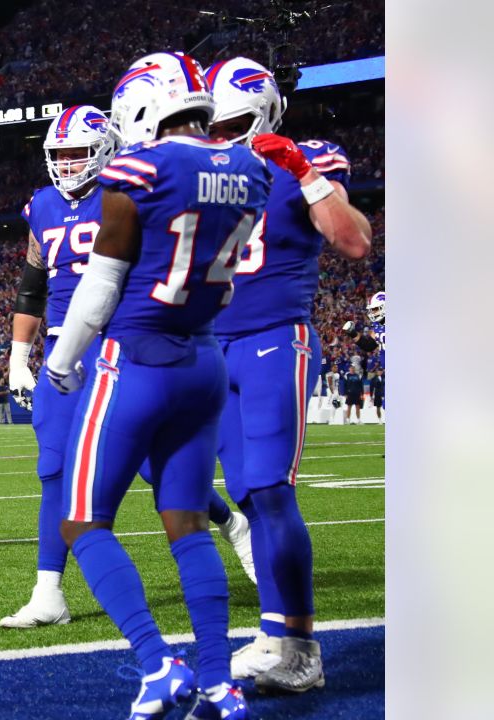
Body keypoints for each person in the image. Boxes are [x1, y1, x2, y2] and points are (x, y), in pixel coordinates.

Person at [44, 53, 270, 719]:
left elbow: (104, 280)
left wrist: (64, 357)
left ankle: (154, 662)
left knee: (82, 520)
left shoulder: (138, 170)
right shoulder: (252, 168)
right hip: (204, 362)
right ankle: (217, 682)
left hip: (136, 361)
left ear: (142, 105)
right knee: (189, 524)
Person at [2, 104, 253, 633]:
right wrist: (18, 355)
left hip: (118, 341)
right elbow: (31, 284)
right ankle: (48, 591)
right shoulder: (42, 205)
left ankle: (231, 522)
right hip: (59, 342)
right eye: (60, 155)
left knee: (151, 466)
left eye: (77, 153)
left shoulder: (129, 189)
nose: (68, 165)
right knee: (53, 471)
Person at [204, 56, 373, 691]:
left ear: (269, 111)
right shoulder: (205, 170)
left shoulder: (307, 160)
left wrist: (301, 171)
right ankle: (276, 633)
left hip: (275, 338)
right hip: (209, 348)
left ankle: (300, 646)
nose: (222, 135)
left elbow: (354, 242)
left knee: (273, 487)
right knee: (246, 492)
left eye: (234, 122)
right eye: (211, 124)